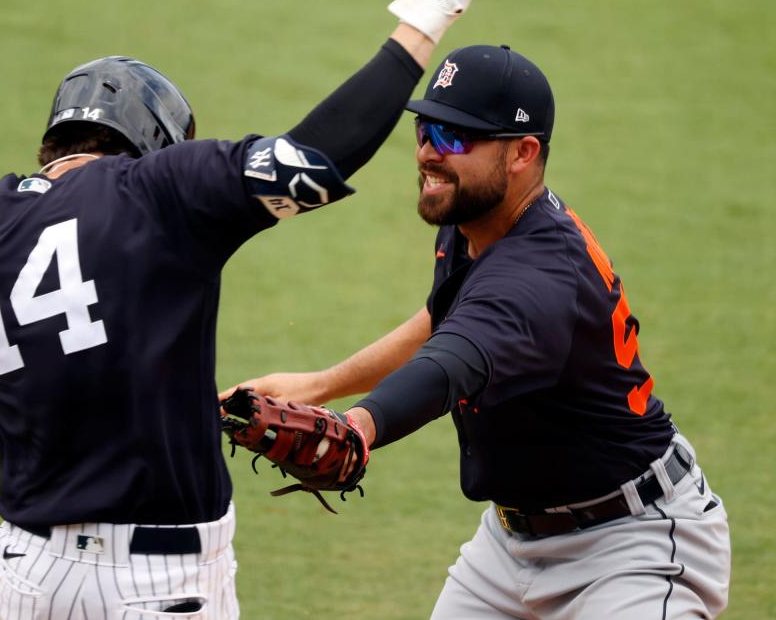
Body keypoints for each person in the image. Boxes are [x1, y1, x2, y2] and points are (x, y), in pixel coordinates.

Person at [0, 0, 496, 620]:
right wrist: (428, 15)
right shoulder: (156, 190)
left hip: (31, 580)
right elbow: (311, 164)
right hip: (162, 584)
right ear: (151, 142)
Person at [227, 45, 731, 618]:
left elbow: (453, 363)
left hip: (631, 545)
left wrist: (361, 425)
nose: (427, 154)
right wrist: (322, 385)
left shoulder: (537, 277)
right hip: (508, 544)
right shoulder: (473, 223)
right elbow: (444, 323)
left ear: (522, 152)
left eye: (455, 138)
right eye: (426, 129)